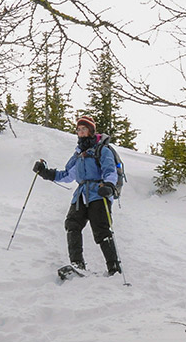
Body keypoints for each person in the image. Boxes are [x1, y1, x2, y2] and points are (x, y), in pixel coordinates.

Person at [33, 116, 122, 275]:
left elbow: (110, 171)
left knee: (101, 230)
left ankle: (114, 268)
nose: (81, 132)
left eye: (84, 129)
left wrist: (108, 185)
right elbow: (67, 175)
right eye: (79, 129)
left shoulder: (102, 150)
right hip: (81, 195)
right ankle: (77, 264)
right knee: (72, 224)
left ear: (91, 131)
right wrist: (45, 172)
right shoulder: (78, 153)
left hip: (99, 193)